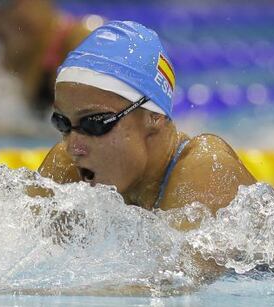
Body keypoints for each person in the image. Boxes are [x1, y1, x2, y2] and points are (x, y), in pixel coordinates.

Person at [38, 20, 256, 231]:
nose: (72, 147)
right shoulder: (67, 167)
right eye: (63, 123)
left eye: (95, 123)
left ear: (154, 116)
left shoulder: (205, 169)